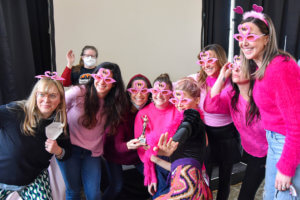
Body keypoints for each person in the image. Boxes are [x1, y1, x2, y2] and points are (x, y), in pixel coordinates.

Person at [235, 5, 300, 199]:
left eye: (251, 37)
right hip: (273, 143)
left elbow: (296, 123)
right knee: (269, 196)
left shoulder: (280, 67)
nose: (244, 43)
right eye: (241, 37)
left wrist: (287, 168)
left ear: (266, 39)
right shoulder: (261, 68)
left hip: (286, 143)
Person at [57, 62, 128, 200]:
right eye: (99, 77)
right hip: (70, 149)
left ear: (114, 83)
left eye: (107, 79)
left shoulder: (114, 102)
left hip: (93, 153)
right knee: (73, 191)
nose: (102, 82)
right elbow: (56, 107)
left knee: (94, 194)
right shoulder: (79, 92)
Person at [204, 55, 267, 200]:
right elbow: (210, 106)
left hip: (274, 152)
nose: (235, 70)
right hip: (254, 153)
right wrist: (221, 76)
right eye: (234, 67)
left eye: (241, 67)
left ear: (253, 72)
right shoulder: (231, 96)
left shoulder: (262, 95)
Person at [0, 73, 71, 200]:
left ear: (60, 100)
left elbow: (67, 153)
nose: (46, 99)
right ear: (35, 95)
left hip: (32, 179)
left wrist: (58, 151)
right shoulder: (15, 111)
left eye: (53, 95)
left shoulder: (59, 124)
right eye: (42, 94)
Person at [192, 44, 241, 200]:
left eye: (210, 59)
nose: (206, 64)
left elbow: (212, 104)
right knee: (205, 175)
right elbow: (173, 87)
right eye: (202, 60)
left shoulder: (232, 81)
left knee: (225, 177)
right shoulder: (198, 79)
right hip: (206, 134)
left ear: (220, 59)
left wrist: (223, 77)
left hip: (227, 135)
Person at [151, 77, 213, 200]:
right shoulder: (189, 123)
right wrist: (155, 157)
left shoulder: (192, 116)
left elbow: (187, 124)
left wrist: (174, 141)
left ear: (197, 100)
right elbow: (178, 166)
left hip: (187, 186)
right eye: (175, 100)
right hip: (185, 182)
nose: (179, 104)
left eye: (184, 100)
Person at [102, 74, 152, 200]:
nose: (139, 95)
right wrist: (128, 145)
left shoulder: (151, 110)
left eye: (144, 91)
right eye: (134, 90)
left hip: (138, 153)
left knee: (153, 180)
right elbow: (117, 146)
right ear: (129, 93)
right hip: (114, 152)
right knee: (116, 186)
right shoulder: (120, 110)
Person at [134, 74, 180, 198]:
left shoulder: (178, 110)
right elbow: (142, 149)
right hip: (154, 162)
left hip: (176, 160)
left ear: (171, 93)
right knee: (161, 194)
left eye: (164, 92)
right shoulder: (143, 114)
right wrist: (151, 174)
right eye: (155, 91)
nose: (159, 95)